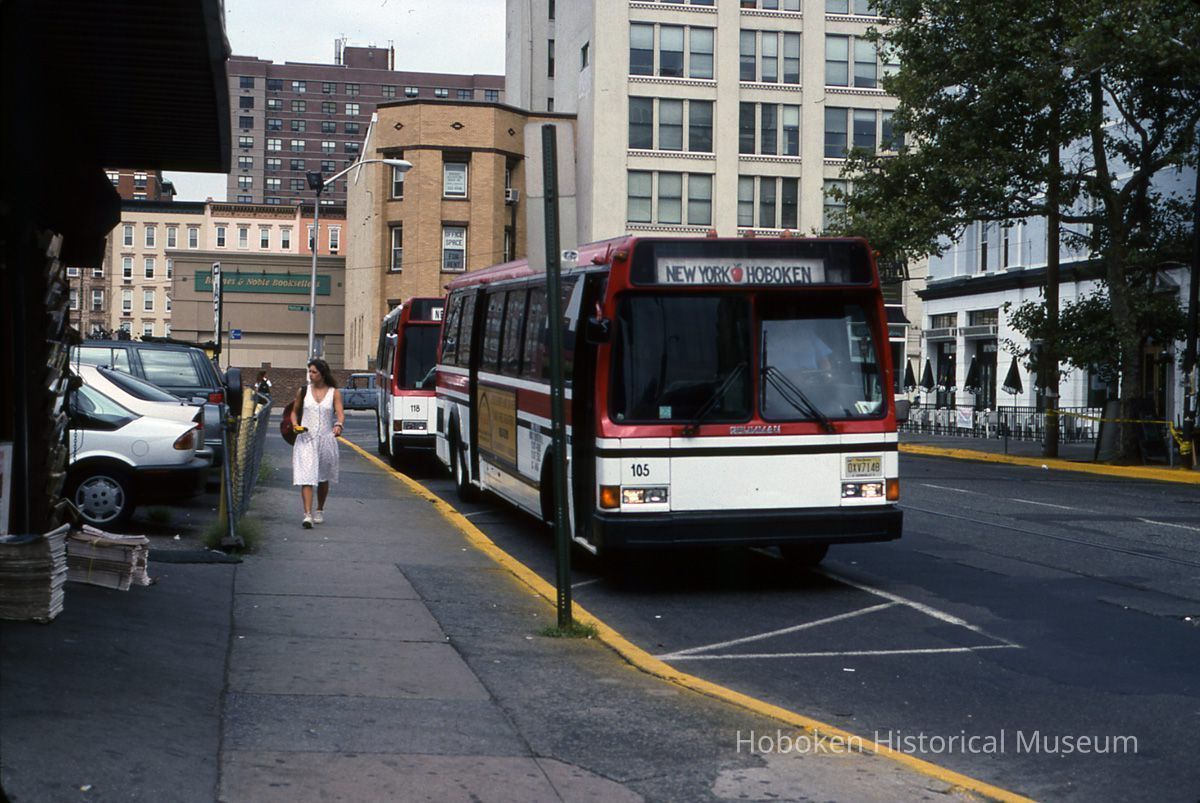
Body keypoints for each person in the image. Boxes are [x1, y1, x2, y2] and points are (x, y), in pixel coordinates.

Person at [291, 358, 344, 528]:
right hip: (306, 439)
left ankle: (319, 509)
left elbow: (340, 413)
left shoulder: (334, 392)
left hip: (326, 439)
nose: (311, 375)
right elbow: (294, 412)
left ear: (323, 374)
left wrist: (338, 425)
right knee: (307, 477)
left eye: (314, 372)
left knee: (322, 477)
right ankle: (307, 514)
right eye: (309, 372)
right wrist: (295, 425)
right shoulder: (303, 391)